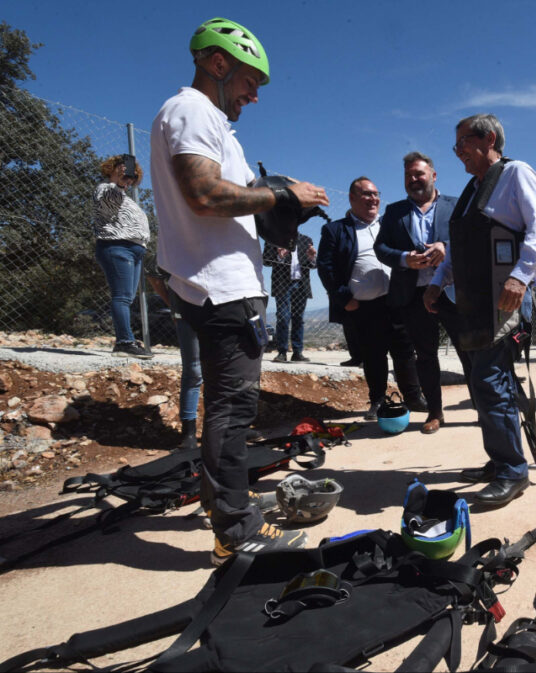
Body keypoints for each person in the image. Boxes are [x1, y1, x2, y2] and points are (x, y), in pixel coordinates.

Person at [150, 17, 330, 566]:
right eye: (251, 81)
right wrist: (281, 197)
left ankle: (224, 501)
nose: (254, 95)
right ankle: (236, 531)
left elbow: (220, 196)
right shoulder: (191, 110)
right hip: (219, 288)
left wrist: (276, 197)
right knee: (233, 407)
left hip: (221, 284)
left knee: (228, 404)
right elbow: (204, 194)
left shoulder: (210, 121)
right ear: (218, 63)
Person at [424, 113, 536, 507]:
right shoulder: (470, 191)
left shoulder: (516, 174)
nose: (458, 150)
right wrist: (435, 283)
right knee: (486, 384)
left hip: (504, 301)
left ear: (489, 138)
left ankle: (513, 472)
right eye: (456, 144)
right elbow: (457, 246)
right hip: (473, 305)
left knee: (489, 381)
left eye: (463, 141)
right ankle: (500, 462)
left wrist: (521, 276)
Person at [375, 152, 470, 434]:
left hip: (451, 290)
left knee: (469, 351)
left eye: (418, 174)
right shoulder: (394, 212)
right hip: (413, 294)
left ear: (433, 175)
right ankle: (435, 412)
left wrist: (445, 246)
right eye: (408, 176)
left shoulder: (456, 205)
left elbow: (470, 238)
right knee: (426, 356)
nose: (413, 180)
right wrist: (405, 258)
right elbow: (381, 248)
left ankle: (482, 406)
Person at [317, 177, 426, 421]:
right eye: (366, 194)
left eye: (376, 193)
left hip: (397, 300)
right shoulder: (336, 229)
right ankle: (378, 400)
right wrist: (344, 298)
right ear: (352, 198)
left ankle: (414, 397)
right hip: (363, 306)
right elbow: (326, 267)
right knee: (373, 355)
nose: (373, 199)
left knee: (405, 351)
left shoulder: (389, 224)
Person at [93, 155, 153, 359]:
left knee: (127, 297)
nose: (129, 182)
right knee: (122, 297)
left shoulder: (124, 196)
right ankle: (124, 342)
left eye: (132, 180)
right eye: (128, 177)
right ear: (116, 169)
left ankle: (126, 340)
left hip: (133, 250)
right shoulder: (106, 189)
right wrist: (119, 178)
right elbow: (110, 197)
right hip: (117, 247)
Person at [148, 268, 202, 451]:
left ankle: (222, 428)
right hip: (186, 312)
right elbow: (154, 276)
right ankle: (189, 432)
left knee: (218, 370)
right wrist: (173, 304)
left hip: (219, 311)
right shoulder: (173, 242)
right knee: (194, 370)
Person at [263, 233, 316, 362]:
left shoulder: (306, 239)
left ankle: (297, 352)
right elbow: (266, 261)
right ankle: (282, 352)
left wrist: (312, 258)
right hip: (282, 284)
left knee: (298, 318)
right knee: (283, 317)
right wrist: (279, 257)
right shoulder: (273, 238)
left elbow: (312, 265)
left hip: (301, 284)